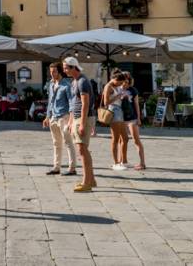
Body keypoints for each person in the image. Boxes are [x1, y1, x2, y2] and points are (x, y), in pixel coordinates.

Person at [63, 57, 96, 192]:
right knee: (83, 149)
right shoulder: (74, 82)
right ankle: (91, 180)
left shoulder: (82, 81)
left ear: (73, 67)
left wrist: (82, 124)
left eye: (66, 67)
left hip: (84, 118)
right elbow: (73, 104)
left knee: (83, 150)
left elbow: (85, 104)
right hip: (77, 118)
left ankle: (86, 183)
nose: (64, 70)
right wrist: (71, 121)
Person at [42, 62, 77, 176]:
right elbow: (50, 102)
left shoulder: (67, 85)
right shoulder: (51, 84)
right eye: (50, 72)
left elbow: (72, 103)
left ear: (59, 71)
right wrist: (47, 117)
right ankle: (56, 167)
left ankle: (72, 168)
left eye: (54, 72)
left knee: (68, 142)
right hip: (53, 117)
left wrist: (71, 119)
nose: (52, 74)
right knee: (56, 143)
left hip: (64, 117)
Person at [103, 69, 130, 171]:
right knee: (115, 138)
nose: (120, 84)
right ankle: (116, 163)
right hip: (113, 111)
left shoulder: (115, 86)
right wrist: (117, 96)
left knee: (125, 138)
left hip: (119, 111)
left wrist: (122, 96)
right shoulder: (108, 87)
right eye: (119, 82)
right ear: (114, 79)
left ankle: (123, 160)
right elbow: (106, 102)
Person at [120, 72, 146, 171]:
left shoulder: (133, 90)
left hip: (132, 118)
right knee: (122, 140)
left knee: (136, 140)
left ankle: (142, 163)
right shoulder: (118, 89)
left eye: (127, 81)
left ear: (129, 81)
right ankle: (122, 161)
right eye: (123, 81)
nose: (124, 84)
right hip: (121, 118)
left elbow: (136, 105)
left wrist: (139, 118)